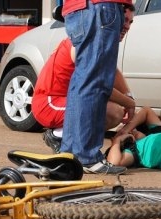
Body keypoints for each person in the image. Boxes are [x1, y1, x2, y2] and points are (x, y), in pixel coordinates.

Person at [32, 6, 135, 156]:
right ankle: (59, 136)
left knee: (111, 108)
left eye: (131, 22)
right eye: (124, 20)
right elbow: (98, 84)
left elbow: (112, 70)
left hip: (65, 100)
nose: (127, 26)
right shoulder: (84, 43)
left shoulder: (98, 41)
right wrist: (129, 103)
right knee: (112, 112)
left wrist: (129, 96)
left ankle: (74, 145)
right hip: (49, 103)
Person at [60, 0, 134, 174]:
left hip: (78, 9)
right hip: (100, 8)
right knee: (94, 82)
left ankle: (71, 155)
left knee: (83, 82)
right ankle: (87, 157)